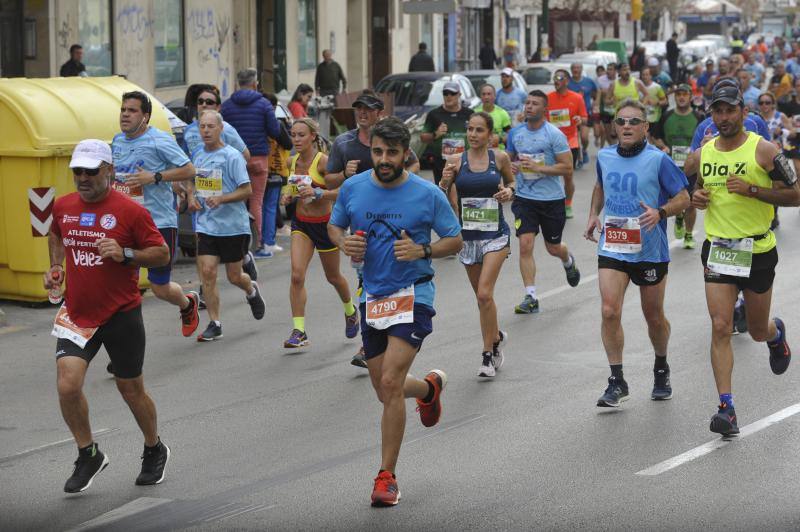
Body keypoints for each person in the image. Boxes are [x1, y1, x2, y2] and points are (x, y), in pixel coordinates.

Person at [327, 117, 463, 507]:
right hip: (374, 295)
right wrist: (345, 243)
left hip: (414, 293)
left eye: (391, 153)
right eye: (377, 152)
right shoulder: (353, 188)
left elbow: (454, 239)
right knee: (385, 389)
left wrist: (423, 250)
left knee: (388, 382)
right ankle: (428, 389)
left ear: (406, 154)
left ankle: (386, 476)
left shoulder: (426, 194)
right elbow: (335, 227)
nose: (383, 160)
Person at [46, 139, 171, 493]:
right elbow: (56, 233)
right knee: (67, 385)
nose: (83, 178)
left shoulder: (130, 211)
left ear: (109, 170)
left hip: (120, 313)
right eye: (77, 172)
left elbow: (161, 254)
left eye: (91, 171)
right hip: (77, 312)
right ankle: (88, 453)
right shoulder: (63, 206)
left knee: (131, 390)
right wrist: (56, 266)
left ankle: (153, 446)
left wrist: (125, 252)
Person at [683, 84, 800, 436]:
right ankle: (726, 408)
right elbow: (697, 188)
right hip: (719, 249)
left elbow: (795, 195)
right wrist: (698, 197)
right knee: (720, 326)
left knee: (756, 328)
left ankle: (776, 334)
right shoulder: (705, 152)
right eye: (717, 112)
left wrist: (752, 190)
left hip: (758, 250)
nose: (723, 118)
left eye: (730, 111)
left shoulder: (764, 150)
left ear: (743, 112)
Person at [584, 99, 690, 408]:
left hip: (649, 249)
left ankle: (661, 368)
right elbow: (601, 186)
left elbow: (683, 198)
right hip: (614, 244)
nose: (627, 126)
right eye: (621, 121)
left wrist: (661, 211)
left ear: (645, 127)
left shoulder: (658, 160)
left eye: (634, 122)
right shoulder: (604, 156)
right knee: (609, 310)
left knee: (653, 316)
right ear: (614, 127)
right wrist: (593, 213)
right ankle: (617, 381)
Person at [325, 90, 422, 368]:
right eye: (358, 109)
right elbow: (329, 180)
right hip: (361, 230)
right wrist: (345, 174)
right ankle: (372, 340)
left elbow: (412, 163)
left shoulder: (389, 139)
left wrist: (403, 187)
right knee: (366, 280)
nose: (362, 113)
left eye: (368, 109)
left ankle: (377, 340)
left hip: (394, 221)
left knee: (385, 278)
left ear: (379, 112)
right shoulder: (344, 143)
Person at [111, 91, 200, 342]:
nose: (125, 114)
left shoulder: (159, 140)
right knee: (121, 286)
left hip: (158, 222)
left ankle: (186, 303)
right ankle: (123, 344)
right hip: (125, 224)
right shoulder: (117, 141)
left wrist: (155, 177)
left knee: (160, 287)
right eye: (123, 109)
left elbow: (189, 169)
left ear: (145, 116)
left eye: (132, 110)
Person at [442, 113, 515, 377]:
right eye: (470, 129)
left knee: (485, 294)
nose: (473, 134)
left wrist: (509, 192)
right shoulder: (454, 161)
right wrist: (444, 180)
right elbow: (440, 195)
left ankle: (488, 355)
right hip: (468, 237)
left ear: (490, 135)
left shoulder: (500, 158)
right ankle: (495, 334)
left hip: (495, 234)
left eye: (479, 130)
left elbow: (512, 183)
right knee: (481, 299)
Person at [281, 118, 358, 348]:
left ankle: (350, 310)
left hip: (325, 225)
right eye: (293, 135)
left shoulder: (323, 162)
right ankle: (299, 330)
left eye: (301, 135)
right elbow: (292, 188)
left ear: (313, 136)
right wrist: (288, 195)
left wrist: (319, 193)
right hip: (301, 224)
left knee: (333, 277)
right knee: (296, 275)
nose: (296, 139)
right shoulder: (290, 161)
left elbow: (341, 191)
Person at [191, 111, 266, 341]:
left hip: (233, 226)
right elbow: (192, 183)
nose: (205, 131)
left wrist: (221, 198)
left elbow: (247, 190)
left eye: (210, 126)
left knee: (235, 276)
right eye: (202, 126)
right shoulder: (197, 155)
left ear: (220, 128)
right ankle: (215, 323)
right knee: (208, 272)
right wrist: (191, 197)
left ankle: (251, 289)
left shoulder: (232, 156)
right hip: (207, 225)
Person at [505, 90, 580, 314]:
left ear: (544, 110)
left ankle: (568, 261)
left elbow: (567, 167)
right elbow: (508, 160)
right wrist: (512, 167)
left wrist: (540, 168)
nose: (529, 106)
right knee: (525, 244)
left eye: (534, 103)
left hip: (551, 200)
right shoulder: (515, 133)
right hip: (525, 199)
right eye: (527, 102)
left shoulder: (554, 134)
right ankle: (531, 296)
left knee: (553, 247)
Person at [221, 68, 281, 256]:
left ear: (237, 83)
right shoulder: (263, 104)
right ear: (255, 83)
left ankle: (236, 241)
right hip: (258, 158)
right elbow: (275, 130)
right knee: (256, 201)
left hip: (234, 159)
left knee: (237, 199)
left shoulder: (227, 106)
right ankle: (259, 243)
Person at [654, 83, 703, 249]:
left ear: (690, 97)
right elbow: (656, 136)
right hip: (670, 168)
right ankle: (678, 216)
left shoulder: (698, 117)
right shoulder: (666, 116)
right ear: (674, 97)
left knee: (690, 203)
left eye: (685, 94)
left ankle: (689, 235)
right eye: (678, 94)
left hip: (690, 167)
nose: (681, 97)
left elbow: (707, 140)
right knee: (671, 201)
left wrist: (696, 152)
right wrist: (663, 147)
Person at [547, 69, 587, 216]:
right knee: (549, 175)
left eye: (559, 77)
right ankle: (552, 203)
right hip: (550, 143)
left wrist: (579, 120)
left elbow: (585, 118)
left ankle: (568, 204)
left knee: (568, 176)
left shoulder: (576, 98)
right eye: (554, 77)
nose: (556, 80)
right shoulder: (548, 98)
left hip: (570, 143)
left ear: (567, 81)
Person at [420, 81, 474, 186]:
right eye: (446, 93)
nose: (449, 96)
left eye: (452, 93)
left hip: (464, 161)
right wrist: (435, 134)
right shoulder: (434, 114)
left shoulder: (469, 114)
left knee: (463, 191)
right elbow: (423, 137)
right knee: (443, 191)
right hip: (440, 163)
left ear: (459, 95)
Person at [181, 86, 250, 161]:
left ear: (218, 107)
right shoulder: (189, 130)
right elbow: (185, 158)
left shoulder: (226, 128)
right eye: (200, 101)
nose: (204, 105)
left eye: (209, 102)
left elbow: (245, 155)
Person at [568, 63, 598, 166]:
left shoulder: (588, 81)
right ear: (571, 70)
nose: (576, 70)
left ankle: (584, 150)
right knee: (574, 138)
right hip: (571, 114)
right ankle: (578, 157)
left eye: (578, 68)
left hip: (585, 113)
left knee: (584, 137)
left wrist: (596, 102)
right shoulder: (567, 82)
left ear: (581, 69)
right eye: (574, 68)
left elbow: (597, 91)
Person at [474, 83, 512, 149]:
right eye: (483, 94)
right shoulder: (475, 113)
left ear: (495, 96)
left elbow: (510, 135)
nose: (486, 97)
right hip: (479, 151)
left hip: (498, 152)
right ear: (480, 96)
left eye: (489, 94)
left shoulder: (502, 113)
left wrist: (499, 139)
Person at [640, 67, 667, 142]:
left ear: (651, 76)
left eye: (647, 74)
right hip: (641, 118)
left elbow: (665, 101)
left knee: (651, 140)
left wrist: (657, 102)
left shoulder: (657, 87)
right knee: (644, 139)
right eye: (643, 75)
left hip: (654, 119)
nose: (645, 76)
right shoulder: (638, 87)